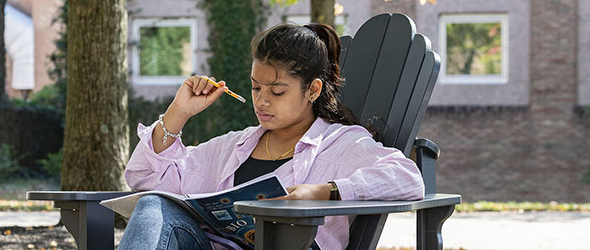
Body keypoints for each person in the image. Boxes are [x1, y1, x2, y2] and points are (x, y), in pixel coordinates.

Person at [118, 23, 424, 250]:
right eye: (255, 88)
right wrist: (179, 112)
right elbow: (146, 179)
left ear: (313, 90)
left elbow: (408, 178)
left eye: (277, 91)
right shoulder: (234, 146)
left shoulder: (341, 145)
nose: (262, 100)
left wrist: (324, 192)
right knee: (154, 205)